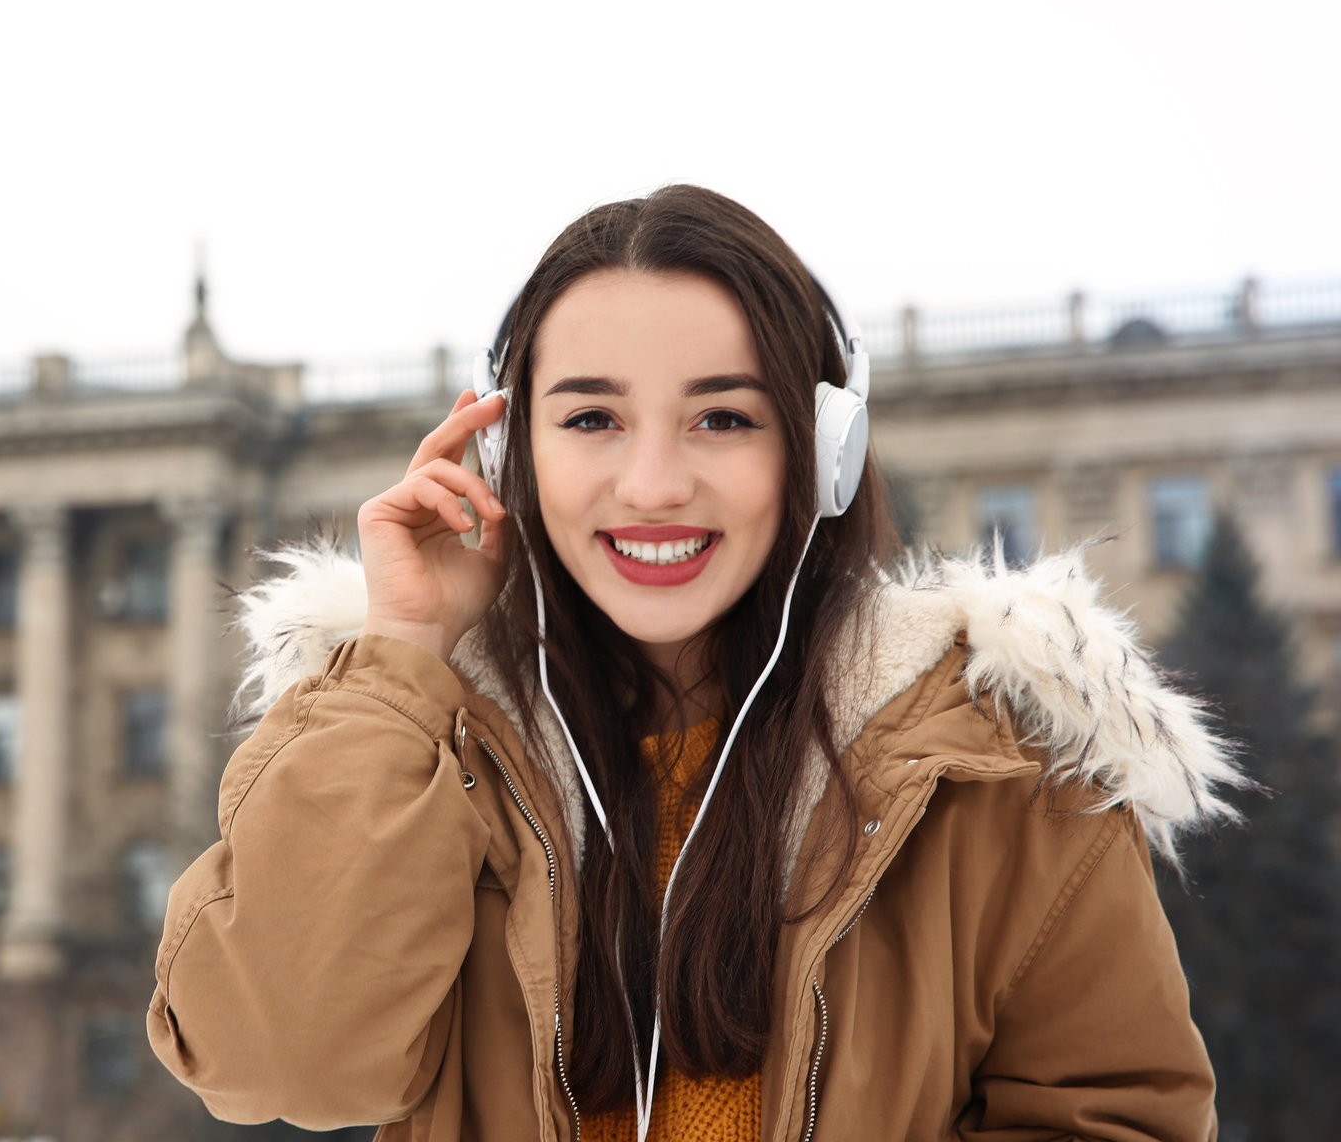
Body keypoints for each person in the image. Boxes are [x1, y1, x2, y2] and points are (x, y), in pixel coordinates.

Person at [146, 185, 1236, 1141]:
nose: (654, 482)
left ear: (822, 454)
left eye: (722, 416)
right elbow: (274, 1062)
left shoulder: (1000, 768)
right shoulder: (432, 750)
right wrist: (400, 655)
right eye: (591, 418)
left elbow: (1117, 1119)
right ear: (507, 453)